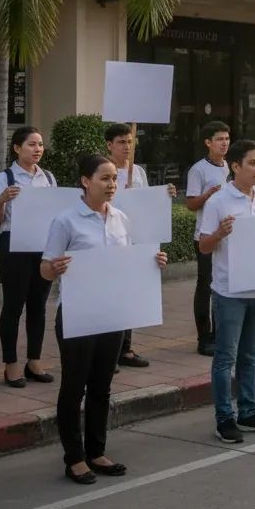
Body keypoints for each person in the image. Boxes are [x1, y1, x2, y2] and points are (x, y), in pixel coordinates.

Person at [40, 153, 168, 484]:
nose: (112, 185)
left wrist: (153, 260)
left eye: (114, 179)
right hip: (78, 316)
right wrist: (54, 267)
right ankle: (74, 458)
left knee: (102, 386)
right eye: (105, 178)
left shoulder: (121, 218)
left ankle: (96, 451)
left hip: (112, 314)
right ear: (85, 181)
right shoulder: (66, 221)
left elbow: (126, 263)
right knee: (74, 387)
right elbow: (44, 268)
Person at [199, 139, 255, 443]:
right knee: (226, 358)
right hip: (229, 293)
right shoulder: (218, 202)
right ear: (235, 166)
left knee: (250, 356)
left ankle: (248, 411)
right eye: (252, 162)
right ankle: (225, 418)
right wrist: (219, 233)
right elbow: (204, 246)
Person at [0, 126, 57, 388]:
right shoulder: (4, 178)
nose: (37, 149)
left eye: (40, 144)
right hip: (14, 248)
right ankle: (11, 363)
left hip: (42, 247)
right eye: (31, 144)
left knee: (38, 305)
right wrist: (3, 199)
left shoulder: (48, 178)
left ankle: (34, 361)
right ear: (17, 148)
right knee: (14, 306)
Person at [105, 122, 177, 370]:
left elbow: (146, 205)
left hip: (136, 241)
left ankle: (125, 349)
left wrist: (164, 194)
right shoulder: (104, 171)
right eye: (121, 142)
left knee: (129, 296)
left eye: (130, 141)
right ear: (109, 146)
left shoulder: (138, 172)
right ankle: (109, 351)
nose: (127, 146)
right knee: (111, 296)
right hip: (112, 242)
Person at [185, 121, 231, 357]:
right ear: (208, 143)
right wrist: (208, 194)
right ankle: (204, 337)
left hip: (229, 236)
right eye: (219, 139)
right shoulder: (198, 170)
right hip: (205, 235)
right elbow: (191, 204)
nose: (224, 143)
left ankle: (222, 333)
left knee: (225, 284)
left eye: (227, 138)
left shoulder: (231, 168)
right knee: (206, 285)